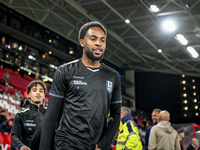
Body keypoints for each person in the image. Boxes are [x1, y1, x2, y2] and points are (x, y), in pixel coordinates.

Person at [39, 21, 122, 150]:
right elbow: (51, 115)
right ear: (82, 42)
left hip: (96, 145)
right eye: (93, 39)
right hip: (67, 143)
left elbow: (116, 114)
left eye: (103, 40)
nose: (98, 43)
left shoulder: (112, 76)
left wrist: (104, 143)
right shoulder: (65, 71)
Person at [11, 80, 47, 150]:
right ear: (29, 94)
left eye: (41, 91)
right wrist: (21, 146)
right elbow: (14, 136)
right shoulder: (21, 115)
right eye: (34, 90)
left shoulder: (51, 115)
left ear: (44, 95)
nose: (38, 93)